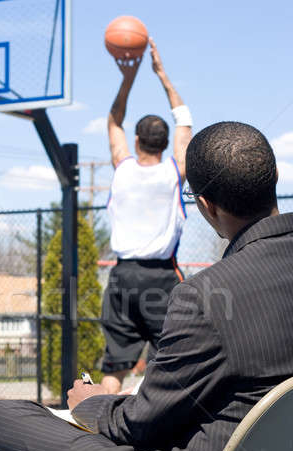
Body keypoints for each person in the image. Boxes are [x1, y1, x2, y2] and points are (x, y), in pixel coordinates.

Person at [0, 121, 293, 451]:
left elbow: (140, 427)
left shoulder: (205, 297)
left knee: (2, 416)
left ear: (206, 206)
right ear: (271, 181)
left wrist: (89, 405)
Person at [101, 38, 192, 394]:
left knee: (115, 365)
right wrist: (162, 75)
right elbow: (184, 119)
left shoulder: (122, 168)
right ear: (165, 143)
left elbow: (113, 121)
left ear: (137, 141)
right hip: (160, 278)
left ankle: (100, 430)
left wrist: (129, 76)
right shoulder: (175, 169)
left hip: (122, 275)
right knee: (169, 361)